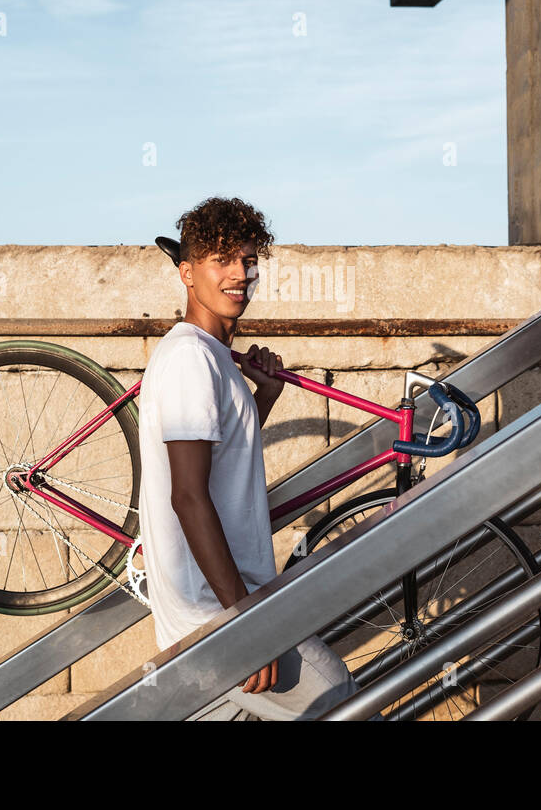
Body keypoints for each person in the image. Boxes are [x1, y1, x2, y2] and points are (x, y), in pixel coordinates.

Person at [136, 195, 361, 720]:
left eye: (248, 259)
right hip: (218, 612)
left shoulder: (209, 355)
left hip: (217, 607)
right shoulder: (192, 357)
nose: (239, 274)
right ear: (187, 272)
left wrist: (262, 397)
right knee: (339, 700)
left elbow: (222, 461)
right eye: (222, 260)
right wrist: (246, 624)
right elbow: (188, 496)